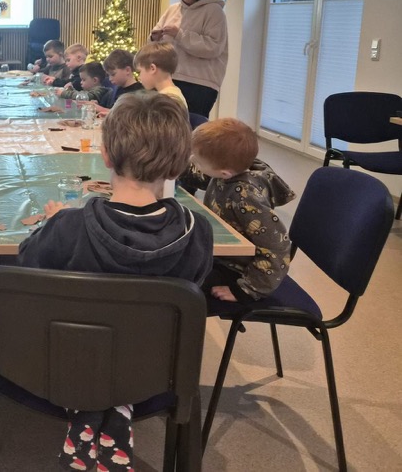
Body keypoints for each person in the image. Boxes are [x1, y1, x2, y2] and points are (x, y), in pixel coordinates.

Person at [17, 92, 213, 471]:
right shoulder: (198, 231)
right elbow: (191, 291)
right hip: (153, 364)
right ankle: (117, 404)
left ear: (105, 155)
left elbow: (28, 267)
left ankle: (92, 406)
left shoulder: (69, 226)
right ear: (178, 163)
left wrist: (53, 222)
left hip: (71, 358)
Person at [190, 118, 295, 304]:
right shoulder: (230, 170)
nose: (192, 160)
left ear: (224, 173)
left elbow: (277, 247)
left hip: (238, 271)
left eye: (197, 161)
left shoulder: (246, 198)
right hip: (222, 256)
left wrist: (245, 290)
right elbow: (204, 175)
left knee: (181, 286)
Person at [150, 0, 227, 118]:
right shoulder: (173, 9)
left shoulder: (214, 11)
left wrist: (180, 35)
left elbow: (213, 47)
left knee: (189, 129)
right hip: (169, 78)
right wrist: (154, 38)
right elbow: (155, 42)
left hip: (199, 84)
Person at [134, 41, 187, 110]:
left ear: (152, 68)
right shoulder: (173, 93)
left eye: (139, 72)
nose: (139, 77)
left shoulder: (166, 100)